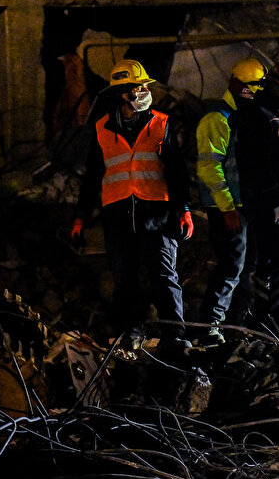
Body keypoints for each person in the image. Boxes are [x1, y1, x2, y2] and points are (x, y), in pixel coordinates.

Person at [72, 58, 193, 354]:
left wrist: (184, 209)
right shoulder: (102, 129)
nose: (145, 92)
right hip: (118, 216)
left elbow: (177, 172)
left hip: (157, 214)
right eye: (138, 87)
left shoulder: (160, 124)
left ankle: (174, 336)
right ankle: (129, 335)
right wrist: (80, 217)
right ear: (122, 93)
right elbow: (92, 178)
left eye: (143, 87)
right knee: (124, 279)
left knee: (164, 276)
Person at [193, 56, 266, 346]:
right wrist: (227, 207)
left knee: (246, 266)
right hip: (225, 208)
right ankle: (209, 325)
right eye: (252, 87)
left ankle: (236, 325)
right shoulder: (217, 119)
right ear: (237, 84)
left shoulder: (243, 116)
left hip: (242, 206)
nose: (256, 92)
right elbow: (209, 167)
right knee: (231, 266)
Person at [234, 61, 279, 334]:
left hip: (254, 199)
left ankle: (261, 317)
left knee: (264, 259)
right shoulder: (270, 121)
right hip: (270, 200)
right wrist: (278, 200)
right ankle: (278, 320)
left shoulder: (254, 112)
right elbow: (268, 164)